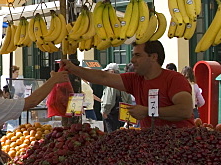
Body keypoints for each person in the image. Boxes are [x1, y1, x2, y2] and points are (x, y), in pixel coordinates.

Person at [61, 41, 194, 128]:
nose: (132, 60)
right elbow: (103, 77)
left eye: (137, 55)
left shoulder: (175, 79)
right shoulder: (135, 79)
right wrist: (73, 69)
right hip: (153, 145)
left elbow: (185, 110)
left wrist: (148, 112)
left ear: (154, 57)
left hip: (180, 145)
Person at [100, 64, 134, 134]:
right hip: (122, 115)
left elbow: (109, 101)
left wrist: (105, 112)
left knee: (111, 136)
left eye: (107, 71)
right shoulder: (124, 82)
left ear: (112, 72)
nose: (105, 73)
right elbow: (129, 100)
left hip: (112, 115)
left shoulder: (112, 83)